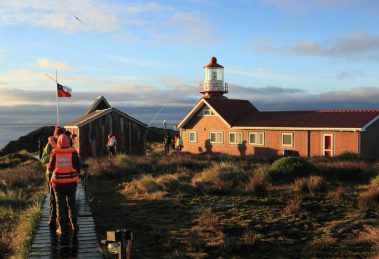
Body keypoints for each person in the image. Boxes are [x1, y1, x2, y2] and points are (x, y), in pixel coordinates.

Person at [49, 134, 81, 236]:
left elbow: (50, 168)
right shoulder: (73, 153)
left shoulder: (54, 153)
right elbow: (78, 166)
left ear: (58, 142)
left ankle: (62, 229)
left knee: (60, 205)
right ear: (68, 142)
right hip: (72, 183)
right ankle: (74, 226)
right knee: (72, 204)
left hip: (58, 184)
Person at [40, 136, 57, 227]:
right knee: (53, 196)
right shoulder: (49, 145)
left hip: (60, 173)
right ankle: (52, 217)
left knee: (61, 197)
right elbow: (43, 159)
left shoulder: (65, 143)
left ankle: (61, 218)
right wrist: (51, 153)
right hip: (50, 173)